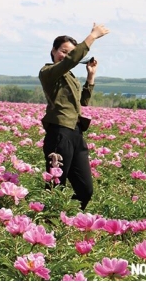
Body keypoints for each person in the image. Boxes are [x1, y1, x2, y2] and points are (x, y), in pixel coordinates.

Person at [39, 23, 110, 210]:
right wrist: (92, 36)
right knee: (56, 186)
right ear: (53, 51)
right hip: (59, 132)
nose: (66, 55)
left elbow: (83, 102)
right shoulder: (48, 72)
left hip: (76, 133)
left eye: (70, 52)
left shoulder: (70, 76)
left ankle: (67, 219)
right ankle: (49, 226)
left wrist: (90, 77)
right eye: (63, 51)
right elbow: (70, 60)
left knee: (85, 190)